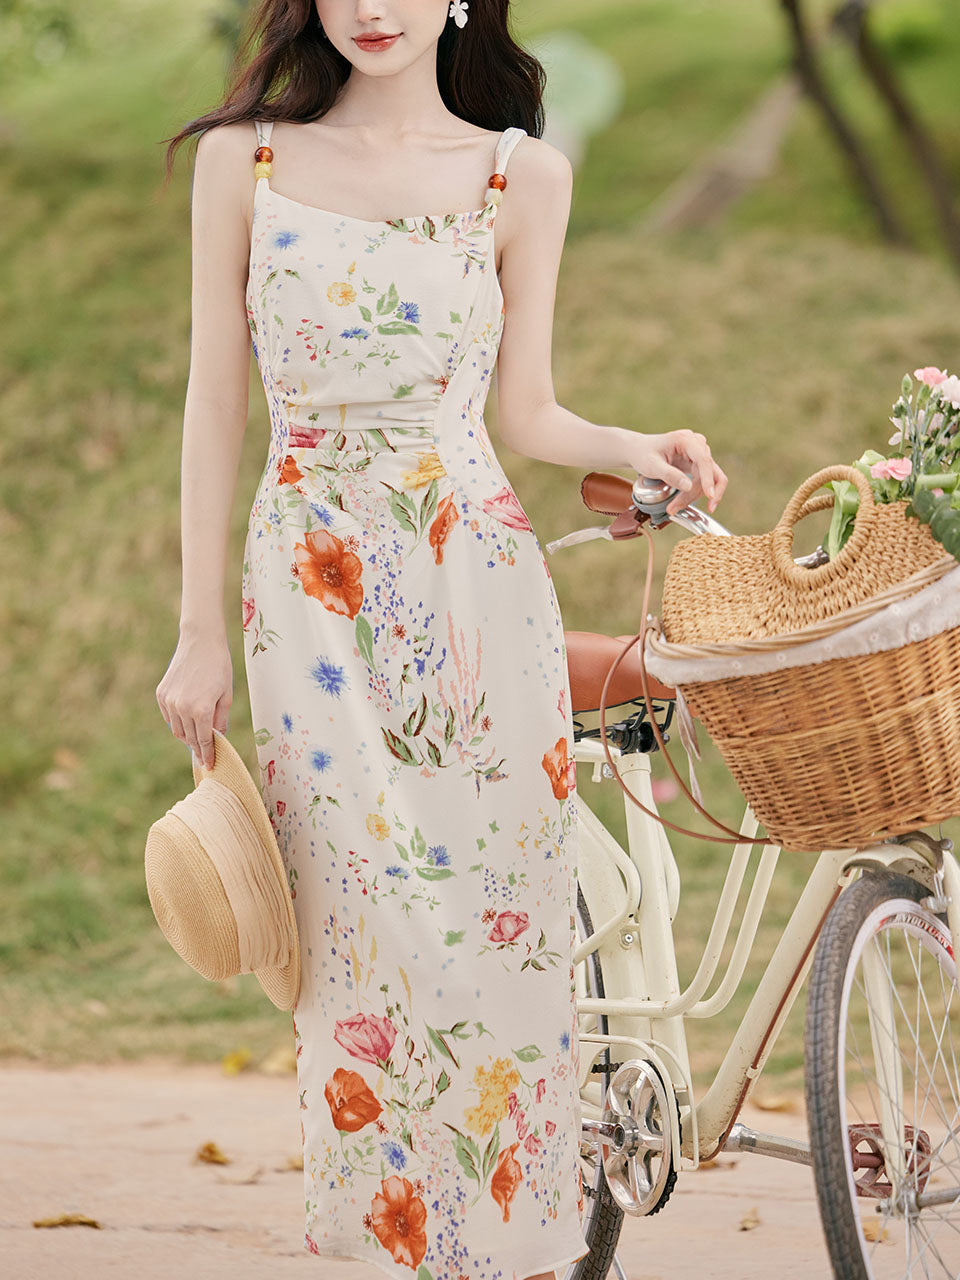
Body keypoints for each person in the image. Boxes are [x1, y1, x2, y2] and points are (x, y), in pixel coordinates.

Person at [156, 2, 727, 1276]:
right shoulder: (240, 160)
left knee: (495, 940)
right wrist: (198, 633)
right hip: (310, 593)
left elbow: (523, 405)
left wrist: (633, 447)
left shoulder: (522, 173)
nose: (373, 8)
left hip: (474, 582)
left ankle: (519, 1251)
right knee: (359, 942)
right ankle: (389, 1248)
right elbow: (214, 401)